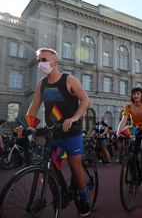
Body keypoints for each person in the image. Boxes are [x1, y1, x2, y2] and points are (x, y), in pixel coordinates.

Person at [27, 47, 91, 216]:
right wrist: (26, 125)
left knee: (74, 165)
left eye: (44, 60)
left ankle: (84, 199)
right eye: (39, 60)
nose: (40, 64)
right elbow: (34, 107)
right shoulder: (42, 84)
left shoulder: (69, 80)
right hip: (52, 133)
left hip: (72, 132)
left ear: (54, 62)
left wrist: (74, 118)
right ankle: (60, 192)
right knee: (47, 168)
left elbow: (85, 101)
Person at [116, 87, 142, 177]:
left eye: (138, 94)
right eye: (134, 94)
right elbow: (124, 120)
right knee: (132, 151)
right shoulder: (128, 107)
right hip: (135, 130)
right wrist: (118, 132)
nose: (136, 95)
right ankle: (133, 175)